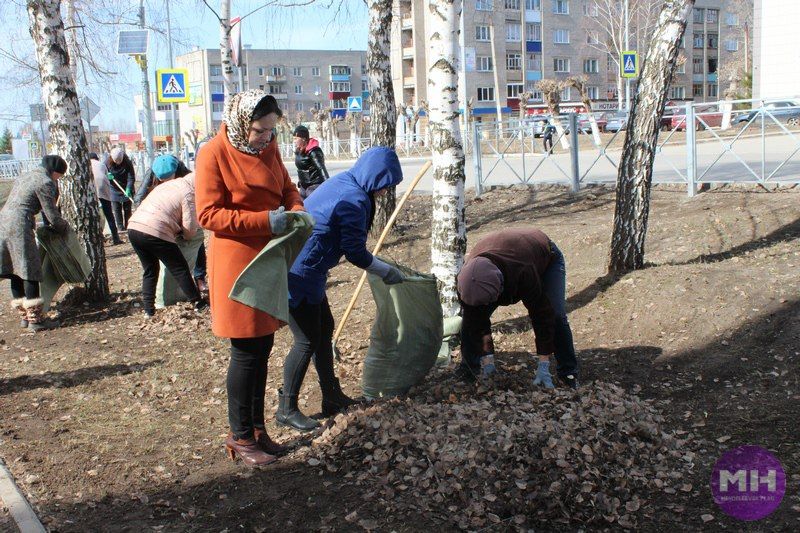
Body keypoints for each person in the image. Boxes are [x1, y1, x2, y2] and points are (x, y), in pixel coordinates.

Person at [196, 90, 304, 467]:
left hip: (268, 259)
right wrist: (264, 220)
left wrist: (296, 208)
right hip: (237, 263)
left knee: (263, 348)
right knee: (245, 353)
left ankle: (258, 430)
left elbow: (287, 187)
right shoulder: (213, 153)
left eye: (272, 131)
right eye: (261, 130)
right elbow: (208, 215)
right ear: (243, 122)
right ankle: (240, 436)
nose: (266, 138)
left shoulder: (269, 148)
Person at [279, 146, 404, 431]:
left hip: (307, 267)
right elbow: (355, 252)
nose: (385, 191)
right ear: (375, 177)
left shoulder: (346, 181)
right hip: (299, 273)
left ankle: (331, 397)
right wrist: (386, 271)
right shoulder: (354, 200)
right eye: (385, 184)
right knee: (307, 339)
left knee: (324, 329)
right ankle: (286, 408)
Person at [455, 228, 579, 390]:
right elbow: (477, 321)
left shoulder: (523, 271)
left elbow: (541, 315)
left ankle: (568, 373)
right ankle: (469, 371)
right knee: (470, 321)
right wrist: (488, 359)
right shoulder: (466, 282)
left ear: (500, 289)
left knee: (555, 315)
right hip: (499, 255)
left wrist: (543, 364)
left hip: (545, 256)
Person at [0, 155, 69, 331]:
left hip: (3, 223)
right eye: (59, 177)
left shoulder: (25, 175)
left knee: (14, 270)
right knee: (29, 268)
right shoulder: (45, 181)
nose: (58, 180)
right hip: (19, 225)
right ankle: (36, 321)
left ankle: (25, 317)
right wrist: (64, 228)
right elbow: (51, 213)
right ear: (54, 171)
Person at [127, 171, 207, 318]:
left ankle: (148, 310)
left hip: (134, 227)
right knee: (180, 268)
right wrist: (185, 235)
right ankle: (198, 302)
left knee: (150, 270)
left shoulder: (169, 184)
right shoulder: (188, 193)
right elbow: (189, 228)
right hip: (156, 229)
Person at [134, 154, 208, 292]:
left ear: (176, 172)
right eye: (162, 180)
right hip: (162, 220)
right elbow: (139, 197)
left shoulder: (187, 177)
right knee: (169, 262)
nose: (164, 182)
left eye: (168, 178)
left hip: (186, 214)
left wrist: (190, 229)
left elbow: (194, 207)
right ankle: (171, 288)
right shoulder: (152, 172)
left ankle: (199, 277)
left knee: (197, 240)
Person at [89, 152, 122, 245]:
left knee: (94, 215)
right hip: (103, 189)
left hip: (91, 190)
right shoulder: (101, 164)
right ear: (96, 158)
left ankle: (96, 239)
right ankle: (116, 238)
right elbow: (108, 176)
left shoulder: (85, 165)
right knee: (109, 214)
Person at [292, 125, 330, 199]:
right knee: (300, 206)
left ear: (303, 138)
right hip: (304, 186)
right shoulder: (299, 150)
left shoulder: (314, 151)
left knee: (310, 206)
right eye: (293, 139)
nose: (294, 141)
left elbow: (321, 168)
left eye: (296, 138)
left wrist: (328, 185)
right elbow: (301, 169)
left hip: (314, 186)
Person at [104, 147, 135, 230]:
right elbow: (103, 174)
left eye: (119, 161)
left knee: (127, 209)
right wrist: (107, 176)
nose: (118, 163)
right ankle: (120, 228)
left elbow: (131, 177)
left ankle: (128, 227)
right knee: (117, 209)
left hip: (126, 186)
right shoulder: (106, 163)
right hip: (114, 188)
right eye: (116, 161)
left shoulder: (127, 162)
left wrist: (128, 188)